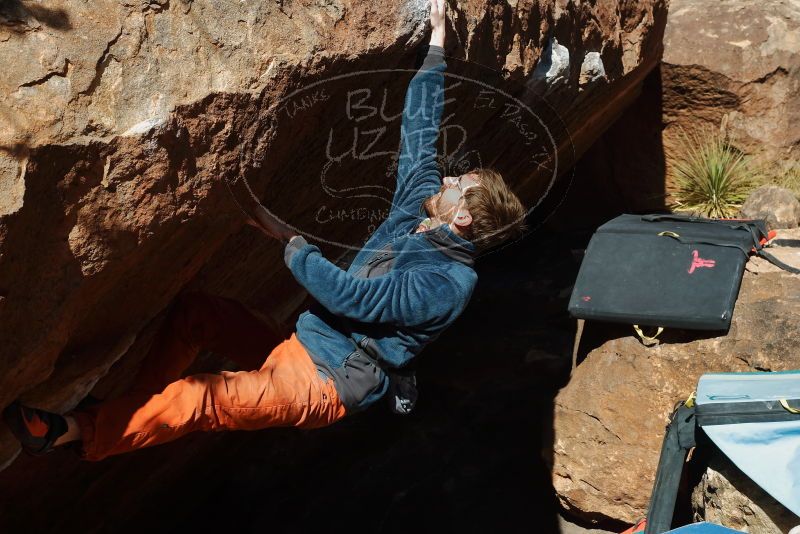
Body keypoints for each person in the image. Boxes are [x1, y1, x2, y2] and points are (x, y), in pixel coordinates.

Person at [2, 0, 527, 460]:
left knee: (204, 398)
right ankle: (131, 415)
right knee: (197, 316)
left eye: (461, 183)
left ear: (462, 217)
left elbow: (355, 299)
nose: (451, 177)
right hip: (303, 341)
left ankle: (72, 432)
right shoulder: (423, 209)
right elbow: (420, 130)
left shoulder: (447, 283)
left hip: (324, 382)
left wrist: (289, 241)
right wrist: (436, 42)